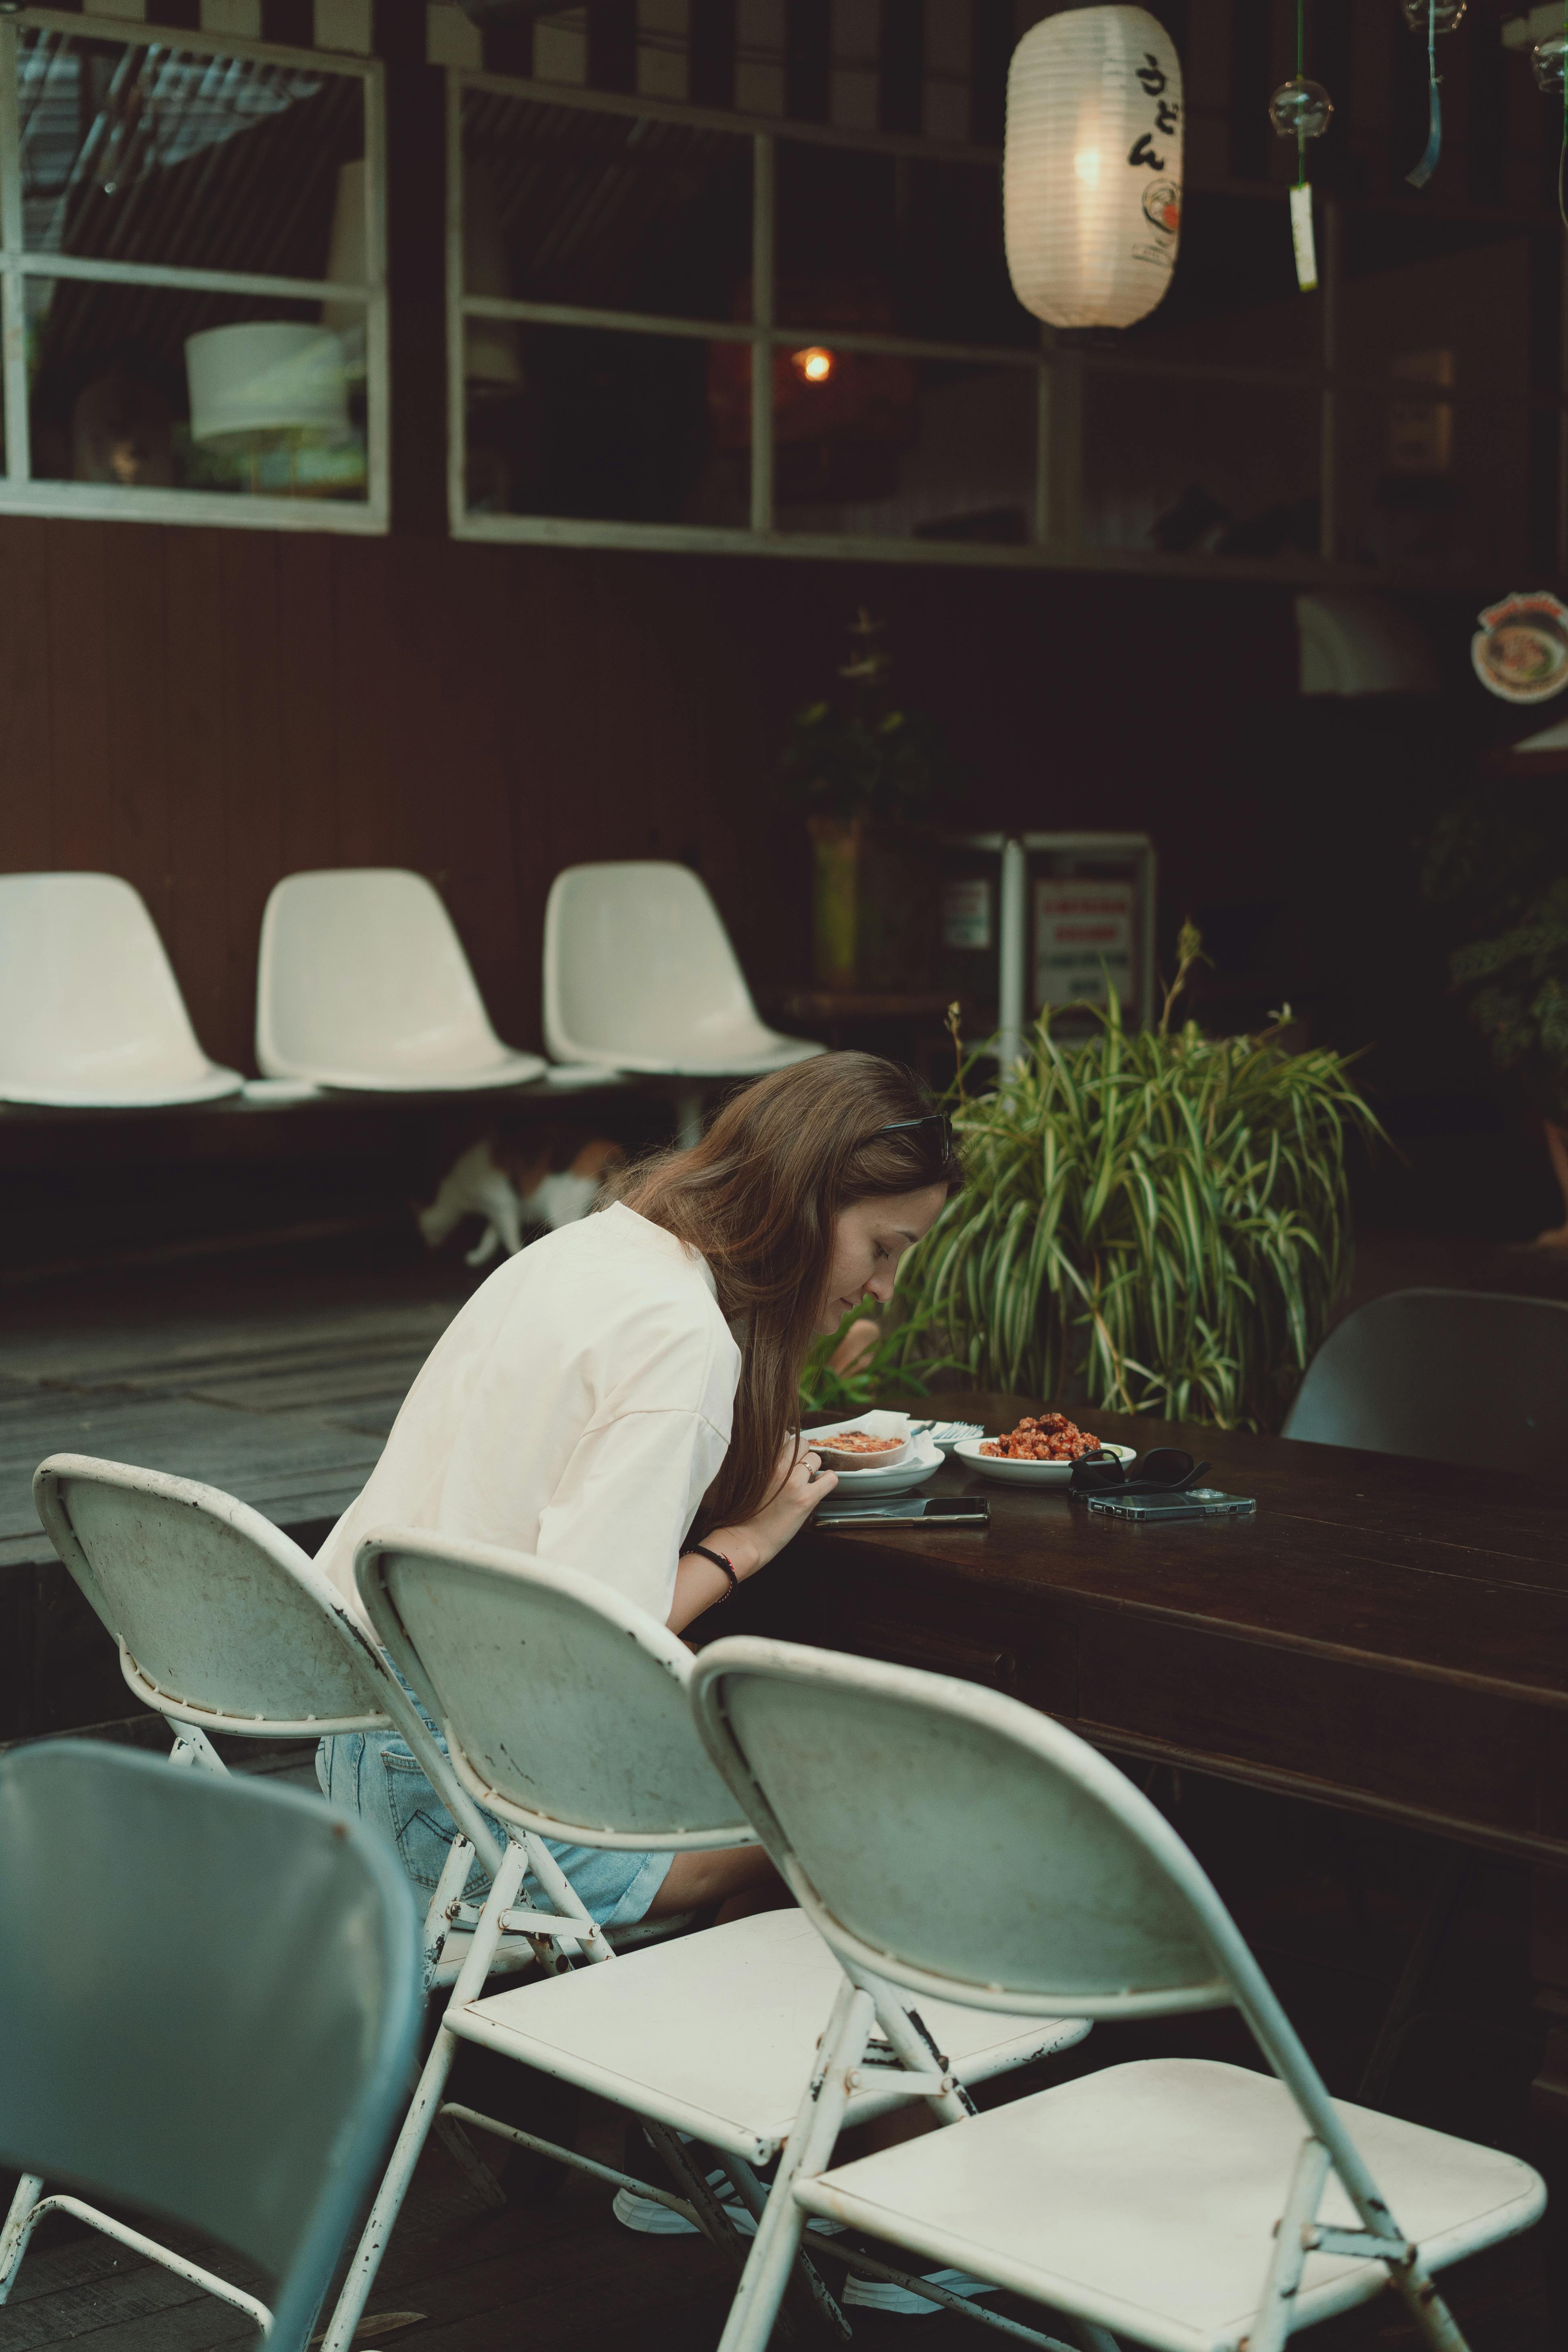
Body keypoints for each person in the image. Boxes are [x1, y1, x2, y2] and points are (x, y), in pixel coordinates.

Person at [313, 1051, 960, 1935]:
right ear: (807, 1204)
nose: (883, 1286)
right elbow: (595, 1647)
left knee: (743, 1764)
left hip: (364, 1740)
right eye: (883, 1247)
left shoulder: (590, 1246)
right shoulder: (683, 1339)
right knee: (853, 1810)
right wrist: (743, 1545)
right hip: (466, 1802)